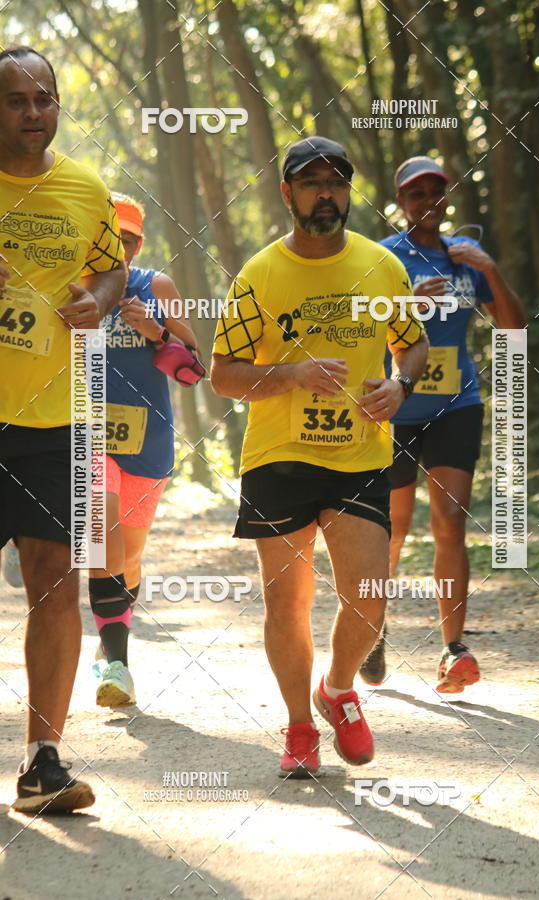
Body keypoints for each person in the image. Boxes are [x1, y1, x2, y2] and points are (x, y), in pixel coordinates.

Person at [211, 136, 428, 778]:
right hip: (278, 454)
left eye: (335, 182)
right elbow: (222, 375)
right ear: (288, 195)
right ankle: (300, 727)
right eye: (311, 183)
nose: (325, 194)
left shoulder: (383, 267)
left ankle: (336, 689)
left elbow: (409, 345)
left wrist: (400, 384)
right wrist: (292, 373)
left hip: (359, 452)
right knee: (288, 602)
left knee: (369, 595)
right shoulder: (259, 275)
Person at [0, 46, 126, 813]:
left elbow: (109, 265)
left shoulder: (85, 187)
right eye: (16, 100)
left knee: (56, 580)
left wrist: (102, 301)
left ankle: (42, 763)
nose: (34, 113)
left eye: (43, 97)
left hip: (61, 420)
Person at [359, 156, 526, 692]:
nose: (426, 201)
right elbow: (354, 323)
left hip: (456, 402)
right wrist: (403, 301)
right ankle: (372, 630)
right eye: (414, 194)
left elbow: (514, 328)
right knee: (392, 530)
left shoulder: (465, 258)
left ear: (446, 198)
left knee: (450, 521)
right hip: (397, 407)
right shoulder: (383, 257)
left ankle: (454, 650)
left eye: (435, 191)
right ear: (400, 201)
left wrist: (491, 270)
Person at [91, 193, 199, 708]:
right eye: (111, 237)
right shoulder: (72, 287)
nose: (120, 248)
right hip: (85, 434)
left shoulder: (158, 287)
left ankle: (111, 637)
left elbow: (196, 369)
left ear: (140, 243)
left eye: (129, 239)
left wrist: (156, 331)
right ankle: (117, 667)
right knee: (102, 543)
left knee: (129, 558)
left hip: (147, 438)